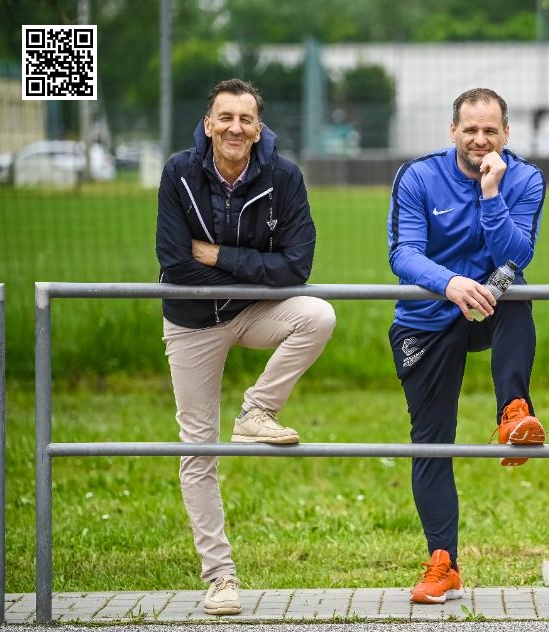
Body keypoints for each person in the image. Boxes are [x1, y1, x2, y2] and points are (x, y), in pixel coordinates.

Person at [156, 78, 336, 616]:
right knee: (198, 450)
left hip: (252, 312)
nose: (235, 128)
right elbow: (175, 263)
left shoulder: (284, 176)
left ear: (259, 129)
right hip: (191, 321)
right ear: (208, 124)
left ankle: (257, 410)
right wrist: (255, 269)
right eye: (226, 118)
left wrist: (217, 256)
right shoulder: (178, 172)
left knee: (318, 314)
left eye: (246, 119)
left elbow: (297, 268)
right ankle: (220, 577)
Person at [387, 88, 547, 604]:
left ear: (506, 134)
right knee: (431, 441)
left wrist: (491, 194)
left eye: (490, 131)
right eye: (471, 129)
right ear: (452, 130)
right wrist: (450, 283)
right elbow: (403, 253)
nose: (480, 139)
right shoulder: (418, 176)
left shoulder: (525, 178)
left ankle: (514, 412)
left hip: (489, 305)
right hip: (428, 317)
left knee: (517, 293)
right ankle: (444, 565)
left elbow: (517, 255)